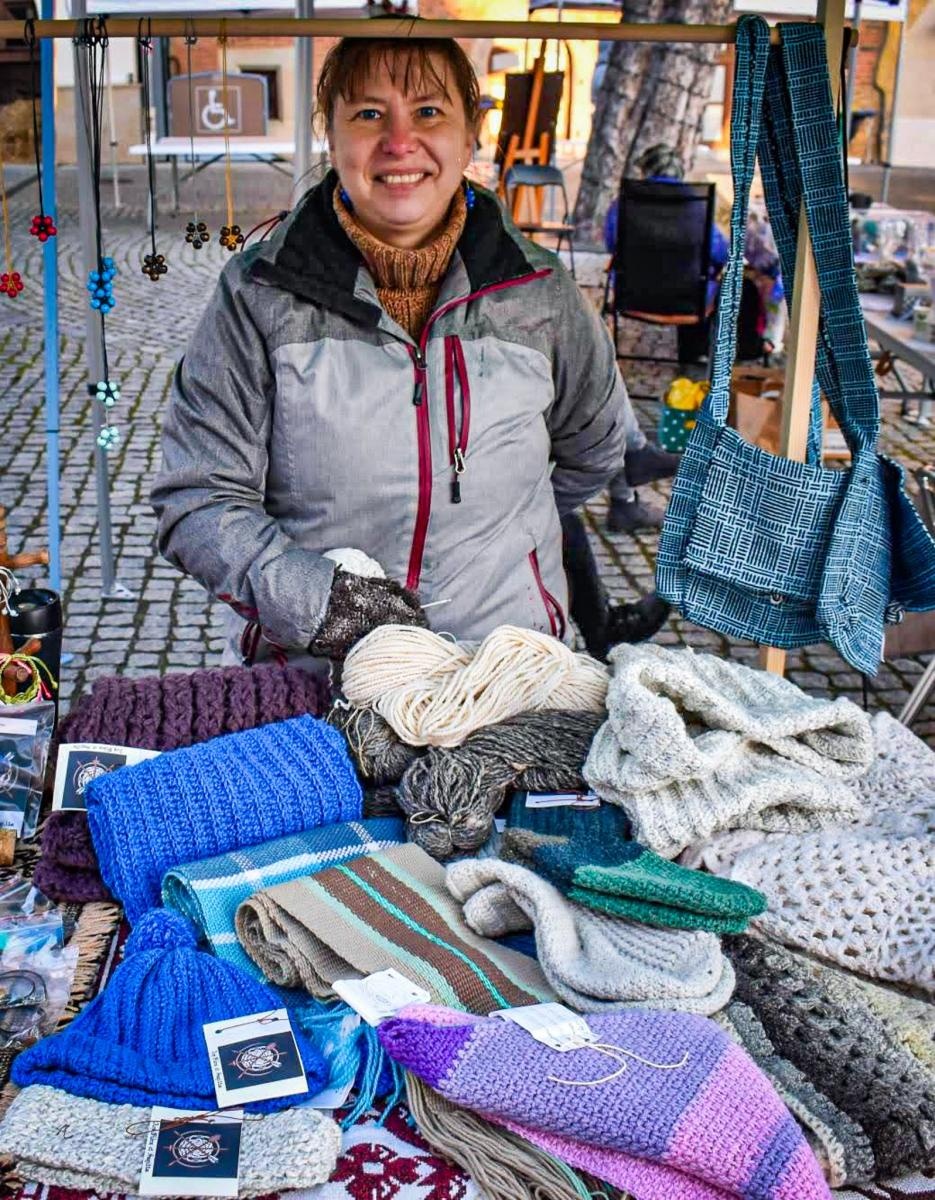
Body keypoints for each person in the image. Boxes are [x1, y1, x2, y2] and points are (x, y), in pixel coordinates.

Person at [152, 35, 669, 665]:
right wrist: (319, 603)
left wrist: (503, 525)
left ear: (470, 136)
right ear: (330, 135)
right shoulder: (257, 296)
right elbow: (199, 497)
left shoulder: (541, 293)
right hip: (318, 677)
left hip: (511, 672)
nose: (400, 142)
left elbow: (595, 449)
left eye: (429, 111)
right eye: (369, 114)